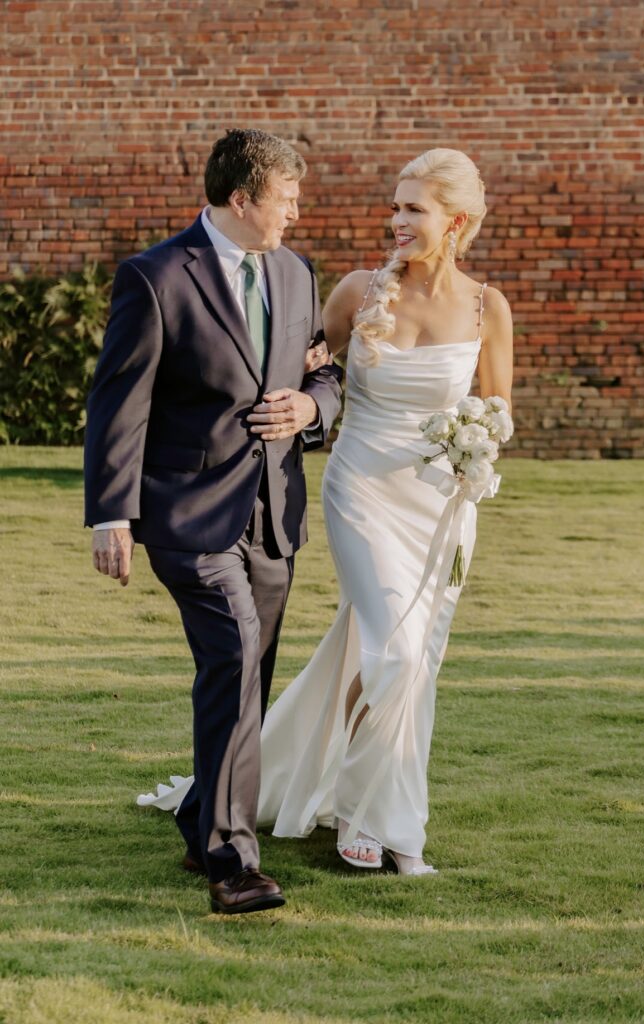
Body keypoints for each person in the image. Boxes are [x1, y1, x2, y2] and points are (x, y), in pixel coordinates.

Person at [142, 147, 513, 876]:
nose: (396, 220)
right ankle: (361, 812)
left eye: (414, 209)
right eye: (396, 205)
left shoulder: (485, 307)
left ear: (456, 221)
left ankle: (377, 815)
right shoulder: (356, 291)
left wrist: (475, 446)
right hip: (362, 489)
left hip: (438, 506)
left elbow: (496, 411)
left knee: (410, 662)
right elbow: (298, 369)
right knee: (393, 651)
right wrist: (292, 408)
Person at [84, 129, 342, 914]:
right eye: (285, 199)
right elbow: (116, 404)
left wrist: (310, 408)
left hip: (272, 514)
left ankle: (201, 820)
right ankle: (234, 862)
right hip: (186, 515)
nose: (295, 213)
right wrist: (110, 515)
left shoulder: (296, 274)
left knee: (246, 678)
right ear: (242, 199)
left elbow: (324, 374)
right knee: (234, 652)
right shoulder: (156, 277)